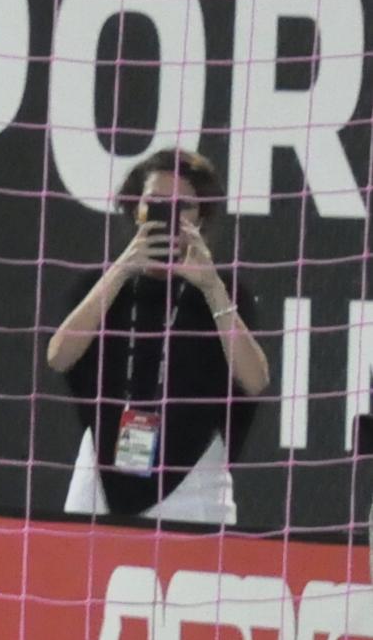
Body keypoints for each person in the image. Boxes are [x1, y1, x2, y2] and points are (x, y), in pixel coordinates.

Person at [46, 148, 270, 525]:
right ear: (136, 210)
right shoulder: (101, 286)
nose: (171, 216)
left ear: (200, 217)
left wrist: (211, 286)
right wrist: (122, 269)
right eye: (156, 204)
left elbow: (255, 379)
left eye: (183, 207)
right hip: (102, 471)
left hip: (194, 477)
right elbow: (59, 356)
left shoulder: (225, 291)